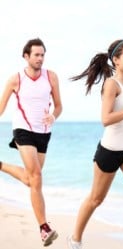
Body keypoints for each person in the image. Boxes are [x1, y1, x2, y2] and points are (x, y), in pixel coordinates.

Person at [67, 39, 123, 249]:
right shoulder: (111, 84)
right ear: (116, 60)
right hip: (110, 151)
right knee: (96, 199)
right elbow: (106, 119)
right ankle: (75, 239)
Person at [0, 38, 62, 246]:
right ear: (26, 56)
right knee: (36, 176)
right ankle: (44, 228)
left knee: (31, 180)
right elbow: (1, 109)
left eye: (42, 54)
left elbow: (59, 107)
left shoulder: (51, 77)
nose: (40, 58)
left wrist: (53, 116)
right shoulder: (15, 79)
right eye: (36, 55)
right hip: (22, 129)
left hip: (44, 132)